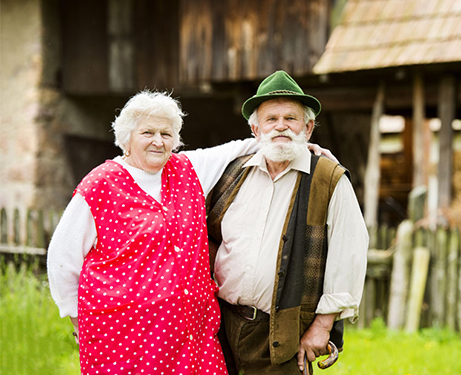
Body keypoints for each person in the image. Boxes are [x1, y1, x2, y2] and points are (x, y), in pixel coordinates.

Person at [46, 90, 332, 375]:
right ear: (126, 138)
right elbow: (62, 257)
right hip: (124, 335)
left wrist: (289, 142)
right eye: (148, 132)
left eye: (166, 134)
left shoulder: (187, 169)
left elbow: (236, 148)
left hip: (190, 336)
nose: (158, 141)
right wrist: (77, 320)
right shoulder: (100, 185)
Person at [206, 70, 368, 375]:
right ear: (255, 129)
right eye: (271, 119)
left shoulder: (328, 178)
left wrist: (323, 326)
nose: (281, 126)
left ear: (307, 128)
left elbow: (349, 255)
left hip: (282, 332)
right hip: (221, 326)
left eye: (290, 118)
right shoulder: (232, 173)